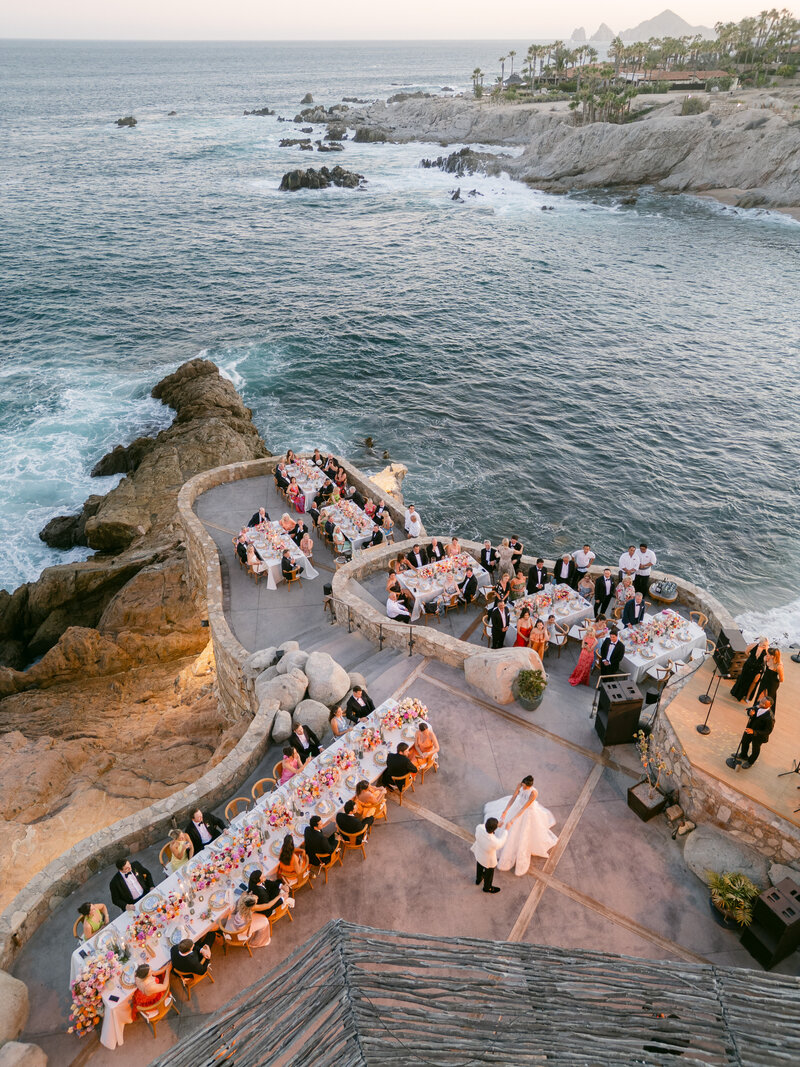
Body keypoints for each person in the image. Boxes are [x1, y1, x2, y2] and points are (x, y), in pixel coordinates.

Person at [483, 775, 557, 875]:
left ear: (529, 786)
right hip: (517, 805)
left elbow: (524, 808)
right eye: (523, 785)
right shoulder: (520, 785)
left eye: (525, 786)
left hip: (526, 811)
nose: (523, 788)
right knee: (506, 825)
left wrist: (513, 819)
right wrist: (506, 810)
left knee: (522, 832)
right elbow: (513, 798)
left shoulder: (533, 793)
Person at [470, 817, 508, 894]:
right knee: (489, 873)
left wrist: (495, 826)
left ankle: (478, 879)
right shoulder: (494, 841)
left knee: (479, 865)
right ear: (494, 829)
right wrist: (506, 830)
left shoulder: (479, 828)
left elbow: (484, 826)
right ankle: (487, 888)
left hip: (479, 853)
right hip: (488, 860)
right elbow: (501, 842)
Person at [738, 696, 775, 768]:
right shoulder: (759, 705)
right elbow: (751, 710)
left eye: (764, 704)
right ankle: (743, 755)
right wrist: (750, 713)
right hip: (750, 729)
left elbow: (768, 731)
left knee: (755, 749)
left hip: (759, 736)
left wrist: (754, 732)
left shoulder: (770, 718)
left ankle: (750, 762)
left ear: (769, 706)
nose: (761, 704)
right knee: (744, 742)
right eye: (761, 702)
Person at [731, 636, 769, 702]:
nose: (765, 646)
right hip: (748, 666)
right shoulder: (753, 645)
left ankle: (748, 696)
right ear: (760, 642)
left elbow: (767, 661)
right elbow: (746, 652)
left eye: (766, 645)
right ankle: (739, 694)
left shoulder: (767, 650)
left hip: (759, 668)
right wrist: (751, 659)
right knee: (744, 679)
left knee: (754, 681)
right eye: (764, 645)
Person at [569, 622, 598, 686]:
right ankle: (577, 677)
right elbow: (582, 646)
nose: (590, 636)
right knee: (580, 666)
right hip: (583, 654)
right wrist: (584, 645)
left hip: (589, 656)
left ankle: (583, 680)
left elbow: (590, 650)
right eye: (589, 634)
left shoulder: (595, 641)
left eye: (591, 635)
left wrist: (587, 646)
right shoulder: (585, 636)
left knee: (586, 668)